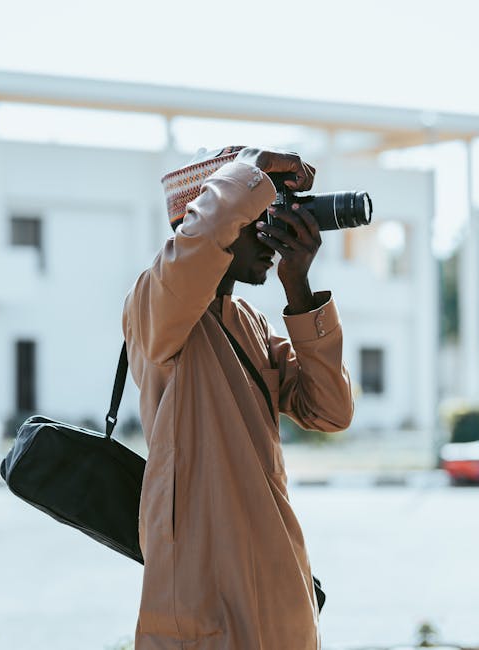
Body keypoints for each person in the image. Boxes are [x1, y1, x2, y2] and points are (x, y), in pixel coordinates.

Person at [122, 145, 355, 650]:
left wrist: (298, 288)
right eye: (261, 218)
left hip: (279, 590)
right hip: (207, 601)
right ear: (212, 215)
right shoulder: (153, 306)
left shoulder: (250, 323)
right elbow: (199, 242)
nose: (273, 233)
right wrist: (250, 166)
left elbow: (331, 410)